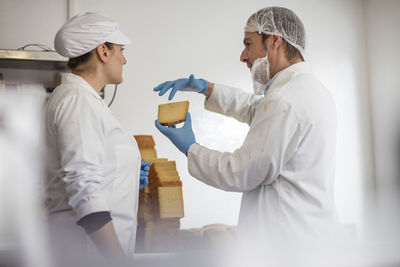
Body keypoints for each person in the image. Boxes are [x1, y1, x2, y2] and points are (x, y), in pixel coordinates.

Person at [154, 6, 338, 246]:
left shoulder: (284, 100)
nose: (243, 55)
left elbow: (241, 171)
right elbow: (258, 110)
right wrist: (207, 88)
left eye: (249, 44)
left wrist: (191, 149)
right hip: (306, 237)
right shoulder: (310, 91)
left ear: (274, 41)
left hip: (285, 245)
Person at [44, 12, 149, 261]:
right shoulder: (77, 100)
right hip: (88, 254)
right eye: (121, 50)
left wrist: (126, 176)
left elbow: (89, 171)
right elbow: (84, 190)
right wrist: (118, 261)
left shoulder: (84, 99)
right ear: (103, 52)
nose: (124, 59)